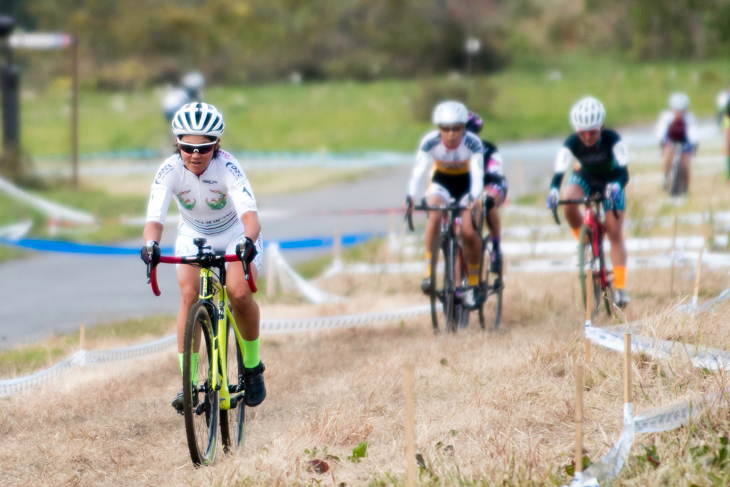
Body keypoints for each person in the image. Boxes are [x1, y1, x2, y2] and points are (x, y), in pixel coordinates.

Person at [141, 102, 266, 412]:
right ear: (178, 145)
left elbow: (251, 219)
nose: (195, 155)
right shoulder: (169, 170)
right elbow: (154, 222)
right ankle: (189, 381)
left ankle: (252, 368)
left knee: (239, 292)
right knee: (188, 294)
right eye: (187, 147)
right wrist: (151, 245)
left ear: (217, 146)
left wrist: (247, 243)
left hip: (235, 233)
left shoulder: (228, 167)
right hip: (194, 234)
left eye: (205, 148)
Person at [546, 97, 630, 307]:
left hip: (611, 180)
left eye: (592, 132)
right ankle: (582, 242)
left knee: (614, 230)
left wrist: (617, 185)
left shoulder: (612, 139)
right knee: (568, 198)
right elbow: (559, 171)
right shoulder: (572, 142)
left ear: (601, 127)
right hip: (584, 177)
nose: (587, 136)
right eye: (582, 132)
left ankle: (619, 287)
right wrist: (554, 189)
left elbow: (623, 172)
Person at [405, 101, 484, 305]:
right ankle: (430, 274)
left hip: (467, 187)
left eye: (456, 129)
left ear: (464, 128)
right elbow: (417, 173)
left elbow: (477, 177)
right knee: (434, 214)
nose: (451, 134)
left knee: (468, 231)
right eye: (445, 129)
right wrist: (411, 196)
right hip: (442, 183)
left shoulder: (473, 142)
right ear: (438, 129)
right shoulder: (430, 141)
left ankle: (474, 283)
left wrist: (473, 198)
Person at [465, 111, 507, 273]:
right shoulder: (453, 153)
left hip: (491, 183)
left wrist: (482, 194)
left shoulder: (488, 148)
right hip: (467, 189)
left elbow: (495, 175)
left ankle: (496, 246)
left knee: (487, 202)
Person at [653, 92, 698, 191]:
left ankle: (685, 186)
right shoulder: (666, 117)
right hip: (670, 139)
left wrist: (694, 145)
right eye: (677, 110)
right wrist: (662, 142)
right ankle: (665, 176)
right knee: (668, 153)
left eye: (682, 110)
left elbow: (693, 134)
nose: (680, 113)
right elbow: (660, 132)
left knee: (685, 164)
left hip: (685, 141)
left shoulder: (689, 118)